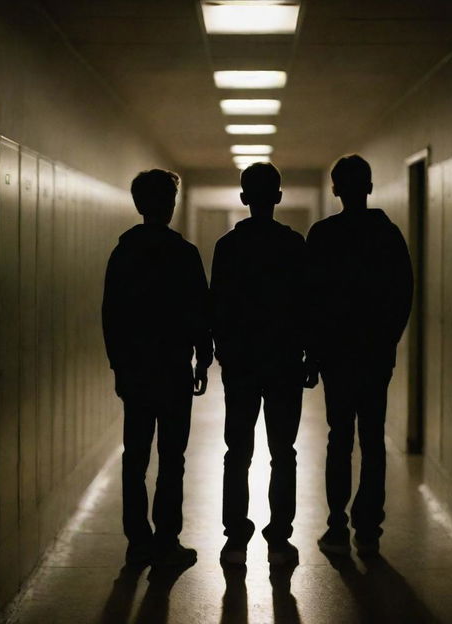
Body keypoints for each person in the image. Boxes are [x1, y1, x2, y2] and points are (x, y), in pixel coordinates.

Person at [102, 168, 212, 568]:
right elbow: (200, 310)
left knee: (136, 455)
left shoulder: (124, 253)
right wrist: (203, 355)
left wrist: (119, 367)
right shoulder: (184, 254)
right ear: (170, 205)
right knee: (172, 457)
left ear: (138, 204)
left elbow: (111, 315)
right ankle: (167, 540)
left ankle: (138, 542)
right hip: (173, 369)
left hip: (136, 371)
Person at [307, 154, 413, 558]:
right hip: (374, 354)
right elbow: (403, 293)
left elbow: (310, 300)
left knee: (339, 438)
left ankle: (336, 527)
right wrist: (387, 340)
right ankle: (368, 529)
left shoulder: (322, 235)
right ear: (369, 187)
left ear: (335, 189)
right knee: (372, 438)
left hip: (337, 356)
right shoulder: (387, 235)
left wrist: (313, 354)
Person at [210, 162, 314, 567]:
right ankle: (279, 538)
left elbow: (216, 305)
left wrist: (221, 351)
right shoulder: (294, 245)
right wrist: (311, 355)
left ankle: (235, 537)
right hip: (284, 362)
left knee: (237, 451)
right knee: (282, 451)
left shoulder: (228, 247)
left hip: (241, 364)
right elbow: (309, 306)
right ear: (279, 197)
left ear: (243, 199)